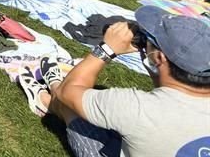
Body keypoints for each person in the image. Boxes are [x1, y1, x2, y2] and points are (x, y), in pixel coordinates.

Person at [17, 8, 210, 156]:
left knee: (69, 105)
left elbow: (69, 92)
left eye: (147, 41)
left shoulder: (137, 108)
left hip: (74, 97)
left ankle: (44, 98)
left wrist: (107, 49)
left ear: (158, 58)